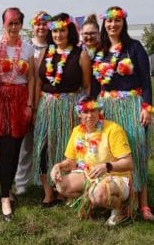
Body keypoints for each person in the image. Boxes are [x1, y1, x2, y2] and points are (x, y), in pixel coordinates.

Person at [91, 6, 154, 221]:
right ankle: (118, 199)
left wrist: (146, 107)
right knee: (111, 153)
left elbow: (146, 81)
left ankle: (143, 204)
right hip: (106, 107)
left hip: (131, 105)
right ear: (104, 24)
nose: (112, 25)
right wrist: (90, 109)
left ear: (123, 23)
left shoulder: (134, 48)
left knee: (136, 152)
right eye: (109, 21)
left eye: (117, 21)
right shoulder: (99, 52)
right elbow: (94, 86)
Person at [33, 12, 91, 207]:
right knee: (44, 148)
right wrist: (33, 108)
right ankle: (48, 193)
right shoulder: (45, 53)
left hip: (69, 108)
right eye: (55, 30)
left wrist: (82, 110)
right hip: (47, 107)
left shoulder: (80, 54)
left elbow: (87, 86)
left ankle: (64, 190)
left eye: (62, 30)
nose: (58, 34)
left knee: (67, 149)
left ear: (70, 31)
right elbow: (38, 82)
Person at [50, 95, 133, 226]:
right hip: (88, 174)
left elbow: (128, 163)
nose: (89, 115)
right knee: (61, 185)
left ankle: (120, 209)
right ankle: (91, 202)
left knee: (99, 194)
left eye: (93, 110)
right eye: (85, 112)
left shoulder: (113, 129)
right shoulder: (77, 131)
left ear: (99, 111)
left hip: (115, 176)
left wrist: (106, 167)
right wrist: (58, 167)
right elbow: (71, 162)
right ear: (79, 114)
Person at [0, 7, 35, 221]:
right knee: (6, 148)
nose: (14, 26)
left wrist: (29, 105)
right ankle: (4, 197)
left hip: (20, 99)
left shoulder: (28, 48)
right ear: (3, 24)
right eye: (10, 22)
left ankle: (8, 189)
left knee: (17, 146)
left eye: (17, 22)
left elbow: (32, 78)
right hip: (1, 99)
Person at [15, 11, 51, 195]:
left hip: (47, 100)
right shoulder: (25, 47)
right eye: (38, 24)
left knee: (46, 143)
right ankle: (21, 181)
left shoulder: (54, 48)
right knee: (26, 143)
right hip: (26, 98)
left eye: (45, 24)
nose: (42, 27)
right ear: (33, 26)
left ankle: (44, 178)